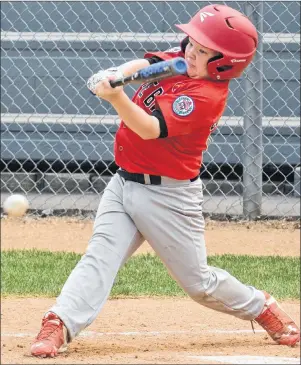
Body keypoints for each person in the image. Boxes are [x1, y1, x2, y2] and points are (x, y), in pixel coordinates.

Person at [30, 4, 300, 358]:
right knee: (100, 257)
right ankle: (59, 323)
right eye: (192, 42)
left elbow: (149, 128)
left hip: (169, 198)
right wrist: (117, 73)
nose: (190, 50)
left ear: (223, 63)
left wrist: (115, 96)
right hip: (124, 183)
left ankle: (259, 306)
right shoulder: (182, 58)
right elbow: (146, 66)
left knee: (198, 284)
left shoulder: (206, 96)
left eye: (203, 50)